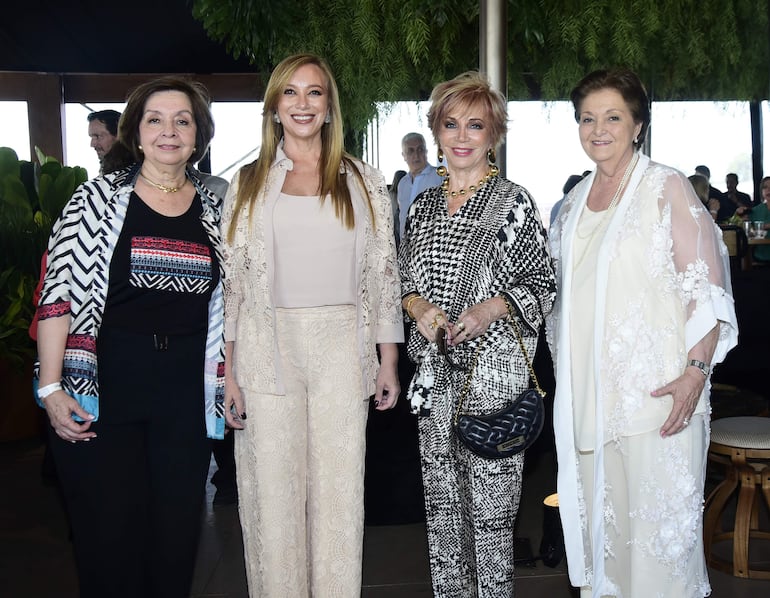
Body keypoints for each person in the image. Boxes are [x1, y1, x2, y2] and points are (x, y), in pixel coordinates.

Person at [547, 68, 738, 598]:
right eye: (587, 118)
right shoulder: (572, 204)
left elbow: (707, 288)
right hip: (592, 405)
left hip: (660, 402)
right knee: (609, 549)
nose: (598, 129)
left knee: (659, 557)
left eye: (613, 117)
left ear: (638, 125)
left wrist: (696, 373)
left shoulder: (666, 185)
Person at [35, 76, 226, 598]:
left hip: (184, 394)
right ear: (136, 134)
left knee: (174, 539)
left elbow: (231, 310)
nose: (169, 130)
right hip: (104, 385)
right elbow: (57, 297)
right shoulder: (95, 200)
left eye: (182, 120)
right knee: (108, 539)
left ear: (198, 135)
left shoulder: (216, 214)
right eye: (155, 120)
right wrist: (50, 389)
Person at [221, 53, 403, 597]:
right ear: (275, 106)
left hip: (343, 347)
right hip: (264, 346)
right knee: (272, 497)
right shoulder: (248, 183)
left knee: (339, 497)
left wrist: (388, 359)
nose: (303, 103)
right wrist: (228, 370)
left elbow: (383, 275)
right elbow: (234, 284)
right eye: (291, 92)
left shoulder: (365, 181)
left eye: (315, 93)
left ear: (329, 107)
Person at [398, 71, 555, 597]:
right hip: (435, 382)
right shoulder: (421, 206)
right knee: (443, 518)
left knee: (490, 523)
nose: (461, 136)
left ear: (494, 134)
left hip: (494, 381)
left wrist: (490, 308)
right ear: (436, 131)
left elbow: (542, 281)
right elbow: (401, 279)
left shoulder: (514, 201)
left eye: (475, 125)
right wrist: (418, 308)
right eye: (450, 124)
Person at [396, 132, 443, 240]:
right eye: (411, 151)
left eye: (420, 149)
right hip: (406, 248)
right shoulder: (402, 184)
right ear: (403, 155)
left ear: (426, 152)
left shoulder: (439, 177)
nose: (416, 155)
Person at [749, 175, 770, 262]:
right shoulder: (755, 210)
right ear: (761, 191)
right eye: (765, 187)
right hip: (760, 257)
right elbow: (750, 233)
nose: (769, 190)